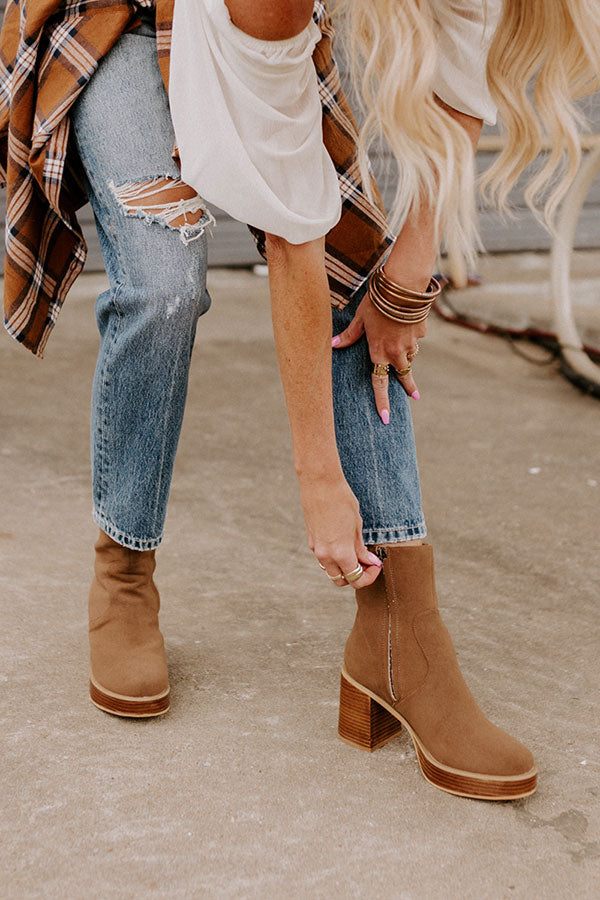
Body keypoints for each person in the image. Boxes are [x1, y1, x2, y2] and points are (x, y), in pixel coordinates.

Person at [3, 0, 594, 799]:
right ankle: (125, 567)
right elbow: (292, 229)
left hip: (263, 27)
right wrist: (319, 478)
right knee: (163, 282)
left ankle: (399, 629)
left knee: (362, 267)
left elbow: (457, 80)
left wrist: (406, 279)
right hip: (125, 18)